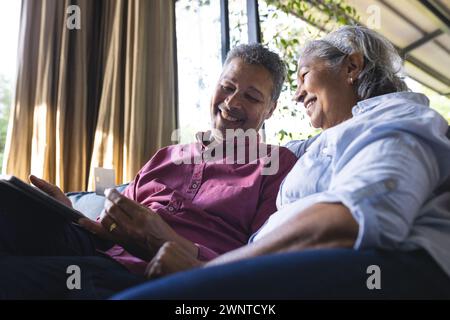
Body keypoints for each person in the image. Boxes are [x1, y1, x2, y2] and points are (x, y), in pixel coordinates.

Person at [114, 25, 450, 299]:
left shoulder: (400, 119)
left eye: (304, 75)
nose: (298, 93)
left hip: (362, 270)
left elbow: (354, 216)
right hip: (275, 272)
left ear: (351, 67)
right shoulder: (330, 140)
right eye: (228, 87)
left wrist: (205, 270)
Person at [0, 44, 298, 299]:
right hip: (99, 250)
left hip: (153, 274)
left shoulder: (277, 165)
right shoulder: (167, 156)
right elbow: (109, 227)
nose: (232, 102)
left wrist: (169, 242)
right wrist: (69, 214)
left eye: (252, 97)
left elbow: (262, 262)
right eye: (228, 87)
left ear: (270, 109)